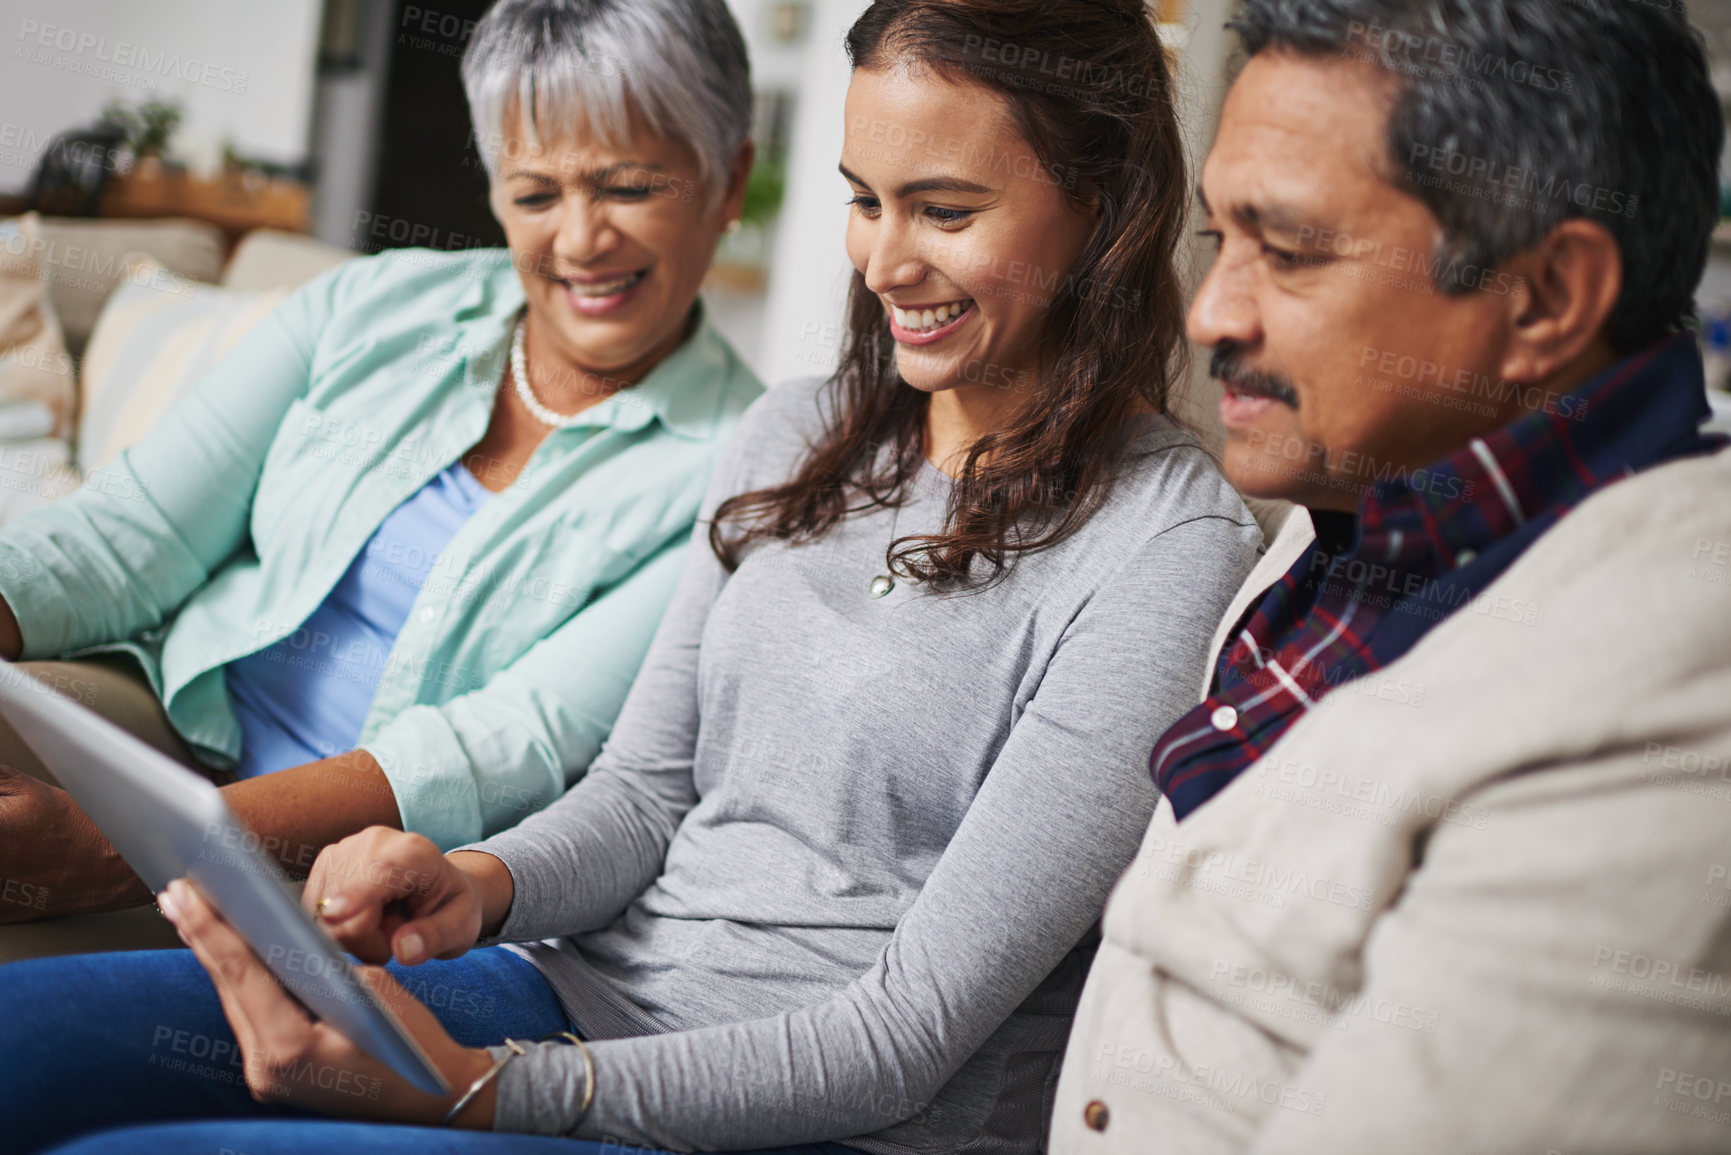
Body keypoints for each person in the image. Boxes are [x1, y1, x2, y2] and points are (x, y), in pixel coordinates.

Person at [0, 0, 1265, 1152]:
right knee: (26, 1039)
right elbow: (644, 797)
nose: (881, 265)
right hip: (569, 990)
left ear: (1103, 207)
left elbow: (902, 1041)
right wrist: (477, 886)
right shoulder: (795, 437)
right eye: (863, 199)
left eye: (944, 211)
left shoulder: (1168, 547)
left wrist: (485, 1089)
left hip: (807, 1113)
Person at [1049, 1, 1731, 1151]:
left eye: (1295, 252)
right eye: (1222, 241)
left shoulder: (1672, 689)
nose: (1212, 312)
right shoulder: (1361, 511)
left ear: (1548, 298)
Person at [0, 0, 763, 926]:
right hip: (172, 737)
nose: (578, 240)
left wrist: (135, 851)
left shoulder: (745, 470)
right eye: (534, 194)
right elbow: (131, 533)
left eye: (629, 187)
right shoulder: (372, 306)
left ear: (728, 183)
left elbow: (504, 745)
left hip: (380, 885)